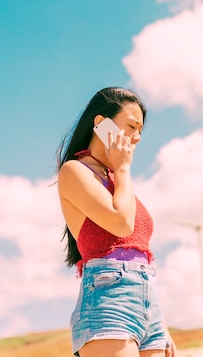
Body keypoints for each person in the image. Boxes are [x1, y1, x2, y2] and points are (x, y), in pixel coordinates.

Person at [56, 87, 177, 357]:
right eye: (131, 127)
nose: (136, 138)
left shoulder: (118, 182)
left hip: (148, 302)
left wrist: (160, 319)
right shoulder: (75, 171)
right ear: (101, 124)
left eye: (140, 132)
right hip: (108, 295)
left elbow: (138, 251)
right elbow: (121, 224)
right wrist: (122, 168)